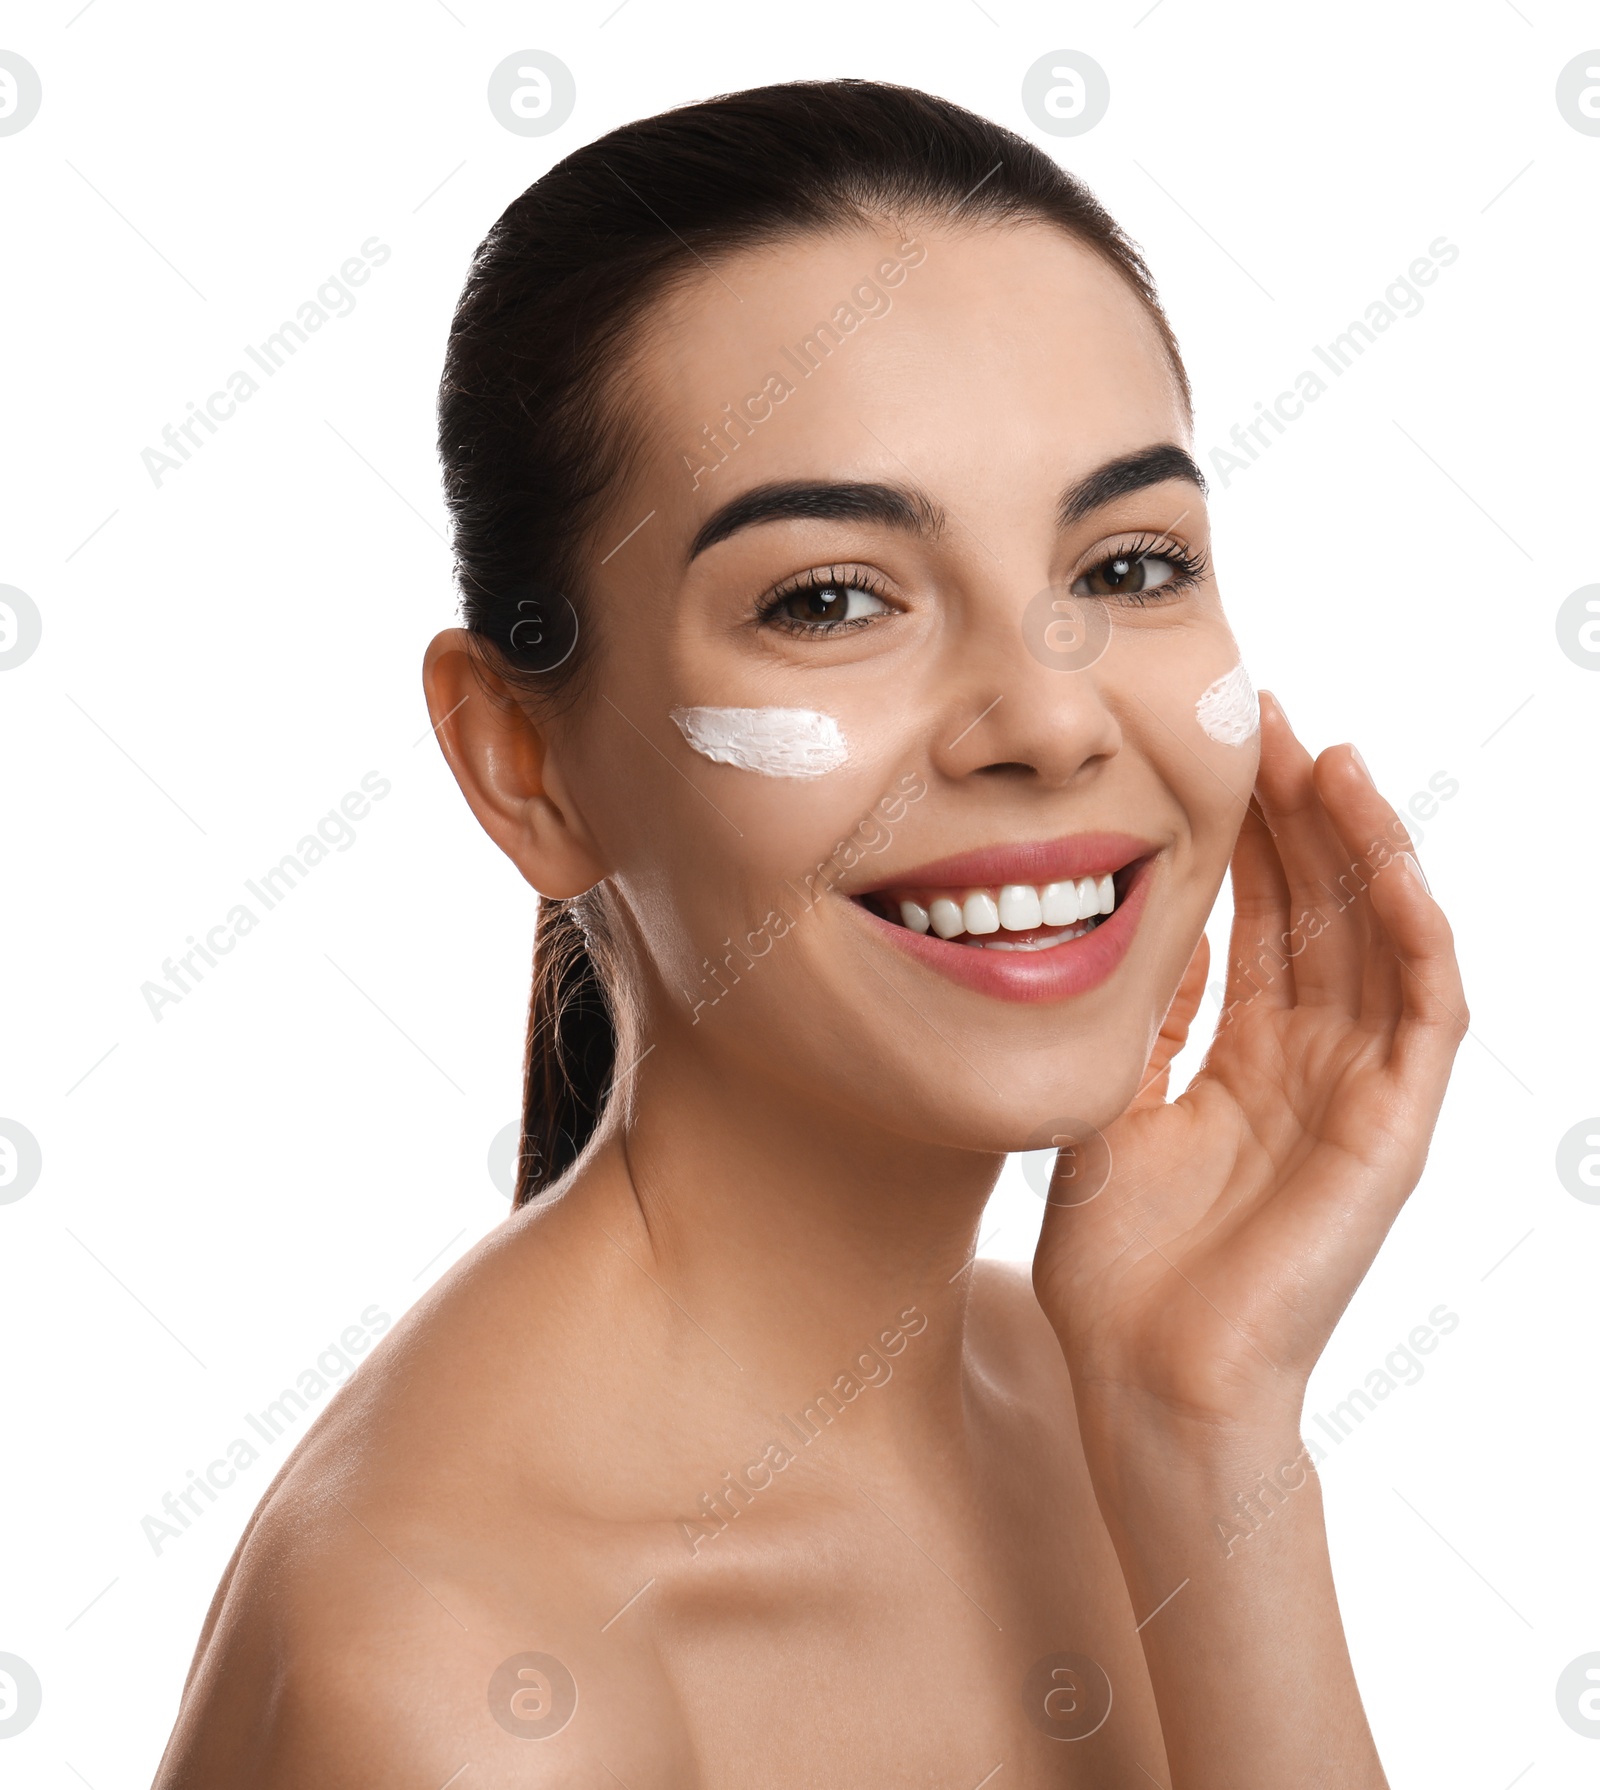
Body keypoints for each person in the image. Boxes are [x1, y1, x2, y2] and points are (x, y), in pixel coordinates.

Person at [153, 80, 1465, 1787]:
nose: (1051, 719)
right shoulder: (466, 1689)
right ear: (523, 762)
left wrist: (1203, 1429)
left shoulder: (1077, 1390)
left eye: (1131, 563)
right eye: (831, 598)